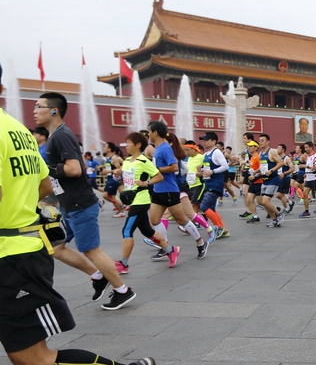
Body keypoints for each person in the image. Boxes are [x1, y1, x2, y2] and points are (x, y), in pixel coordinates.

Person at [0, 75, 158, 365]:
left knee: (33, 361)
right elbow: (40, 186)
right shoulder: (15, 130)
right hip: (19, 246)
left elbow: (51, 180)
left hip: (11, 257)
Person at [34, 93, 137, 310]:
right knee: (57, 248)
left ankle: (122, 290)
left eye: (39, 106)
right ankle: (98, 276)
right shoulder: (56, 136)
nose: (35, 110)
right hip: (69, 205)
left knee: (92, 250)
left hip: (80, 204)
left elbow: (74, 169)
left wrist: (46, 169)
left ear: (54, 110)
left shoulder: (61, 136)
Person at [146, 121, 209, 260]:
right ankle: (166, 247)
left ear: (155, 132)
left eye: (149, 131)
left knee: (182, 220)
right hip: (158, 189)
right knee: (155, 220)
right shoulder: (157, 148)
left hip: (169, 190)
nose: (148, 134)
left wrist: (155, 169)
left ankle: (200, 243)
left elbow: (174, 168)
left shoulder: (165, 148)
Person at [115, 132, 176, 273]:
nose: (127, 145)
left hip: (141, 200)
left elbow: (159, 176)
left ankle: (123, 264)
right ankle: (170, 250)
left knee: (127, 230)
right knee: (147, 231)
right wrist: (119, 172)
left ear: (138, 145)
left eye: (129, 142)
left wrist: (146, 183)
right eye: (126, 142)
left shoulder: (144, 161)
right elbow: (128, 177)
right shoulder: (127, 161)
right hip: (132, 199)